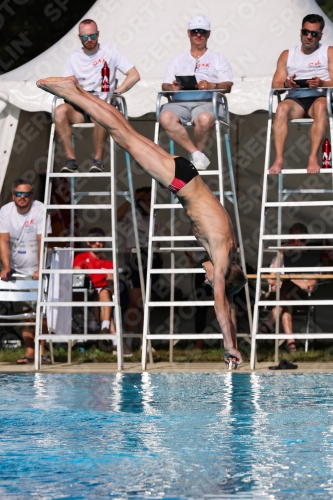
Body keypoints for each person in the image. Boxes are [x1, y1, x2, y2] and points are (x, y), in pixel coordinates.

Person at [36, 76, 247, 367]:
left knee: (123, 131)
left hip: (184, 175)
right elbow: (222, 305)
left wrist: (233, 343)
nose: (208, 280)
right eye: (212, 282)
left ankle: (77, 91)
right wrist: (227, 346)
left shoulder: (226, 251)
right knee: (120, 132)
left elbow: (230, 308)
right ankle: (71, 91)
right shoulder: (222, 258)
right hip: (178, 181)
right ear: (223, 276)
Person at [56, 18, 140, 173]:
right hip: (80, 106)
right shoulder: (73, 57)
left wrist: (117, 91)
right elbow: (67, 85)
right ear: (79, 37)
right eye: (85, 37)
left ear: (98, 34)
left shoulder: (110, 52)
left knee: (101, 112)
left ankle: (98, 160)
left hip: (102, 103)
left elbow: (134, 75)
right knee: (59, 111)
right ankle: (70, 159)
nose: (89, 40)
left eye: (92, 36)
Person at [159, 15, 233, 171]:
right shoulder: (178, 59)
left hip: (207, 102)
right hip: (180, 102)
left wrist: (210, 85)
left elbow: (227, 86)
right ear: (188, 33)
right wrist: (172, 88)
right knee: (164, 117)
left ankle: (193, 161)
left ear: (208, 34)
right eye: (195, 31)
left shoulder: (218, 58)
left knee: (205, 119)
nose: (198, 35)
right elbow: (165, 84)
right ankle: (196, 155)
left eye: (202, 31)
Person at [270, 13, 333, 175]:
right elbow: (275, 85)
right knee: (281, 108)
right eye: (306, 32)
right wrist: (287, 84)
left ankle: (312, 157)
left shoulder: (328, 52)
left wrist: (322, 83)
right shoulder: (287, 54)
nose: (309, 37)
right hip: (296, 99)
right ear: (300, 32)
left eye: (314, 34)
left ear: (320, 36)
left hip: (320, 97)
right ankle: (278, 158)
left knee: (320, 106)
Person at [0, 179, 51, 364]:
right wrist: (6, 267)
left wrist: (40, 267)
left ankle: (42, 352)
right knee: (24, 313)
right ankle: (30, 352)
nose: (22, 198)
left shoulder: (40, 209)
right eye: (19, 194)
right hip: (18, 269)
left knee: (40, 313)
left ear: (32, 196)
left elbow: (42, 241)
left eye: (26, 194)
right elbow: (3, 241)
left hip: (38, 268)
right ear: (13, 195)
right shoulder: (5, 211)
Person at [260, 223, 319, 352]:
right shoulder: (280, 257)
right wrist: (281, 253)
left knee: (287, 286)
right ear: (288, 240)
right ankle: (291, 343)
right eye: (294, 240)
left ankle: (270, 321)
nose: (297, 244)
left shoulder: (311, 258)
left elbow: (311, 284)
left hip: (299, 297)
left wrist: (288, 280)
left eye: (301, 240)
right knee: (286, 305)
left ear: (306, 240)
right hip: (279, 297)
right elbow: (270, 279)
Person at [117, 187, 162, 351]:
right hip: (134, 255)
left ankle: (144, 341)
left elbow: (158, 237)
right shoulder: (133, 210)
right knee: (134, 302)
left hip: (151, 255)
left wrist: (160, 257)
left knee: (146, 302)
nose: (150, 201)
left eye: (152, 198)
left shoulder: (155, 213)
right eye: (147, 198)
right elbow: (117, 216)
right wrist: (132, 198)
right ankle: (128, 342)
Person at [73, 227, 118, 352]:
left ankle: (106, 330)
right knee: (104, 297)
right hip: (86, 294)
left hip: (103, 295)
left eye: (100, 241)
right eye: (94, 241)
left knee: (105, 293)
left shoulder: (109, 263)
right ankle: (112, 338)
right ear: (88, 242)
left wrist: (112, 281)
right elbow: (77, 276)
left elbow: (113, 289)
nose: (97, 243)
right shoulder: (81, 257)